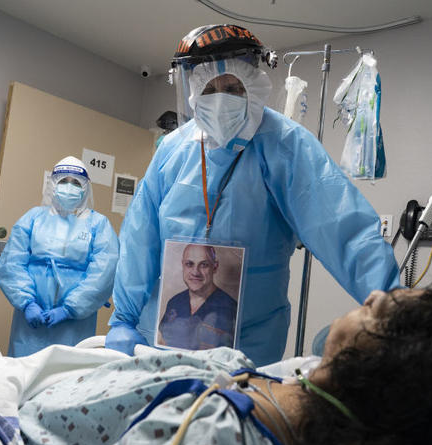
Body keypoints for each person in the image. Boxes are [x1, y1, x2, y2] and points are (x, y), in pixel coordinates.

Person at [106, 24, 400, 366]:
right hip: (163, 334)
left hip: (249, 343)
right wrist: (123, 318)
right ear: (193, 92)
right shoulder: (173, 149)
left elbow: (344, 230)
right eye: (210, 89)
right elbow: (140, 239)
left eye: (232, 87)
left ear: (254, 85)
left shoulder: (286, 145)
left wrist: (395, 307)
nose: (220, 100)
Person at [15, 279, 432, 445]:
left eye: (384, 315)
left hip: (9, 439)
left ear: (391, 378)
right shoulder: (297, 377)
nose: (374, 295)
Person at [0, 156, 119, 357]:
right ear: (53, 185)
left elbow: (104, 273)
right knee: (25, 371)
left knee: (66, 372)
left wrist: (70, 309)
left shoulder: (98, 225)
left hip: (76, 322)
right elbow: (11, 263)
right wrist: (27, 302)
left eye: (75, 183)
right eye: (63, 182)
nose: (69, 188)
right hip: (30, 318)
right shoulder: (33, 218)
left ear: (85, 188)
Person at [158, 244, 237, 349]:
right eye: (189, 264)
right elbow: (162, 341)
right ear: (183, 265)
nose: (195, 272)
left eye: (204, 265)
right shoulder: (175, 302)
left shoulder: (230, 308)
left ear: (215, 267)